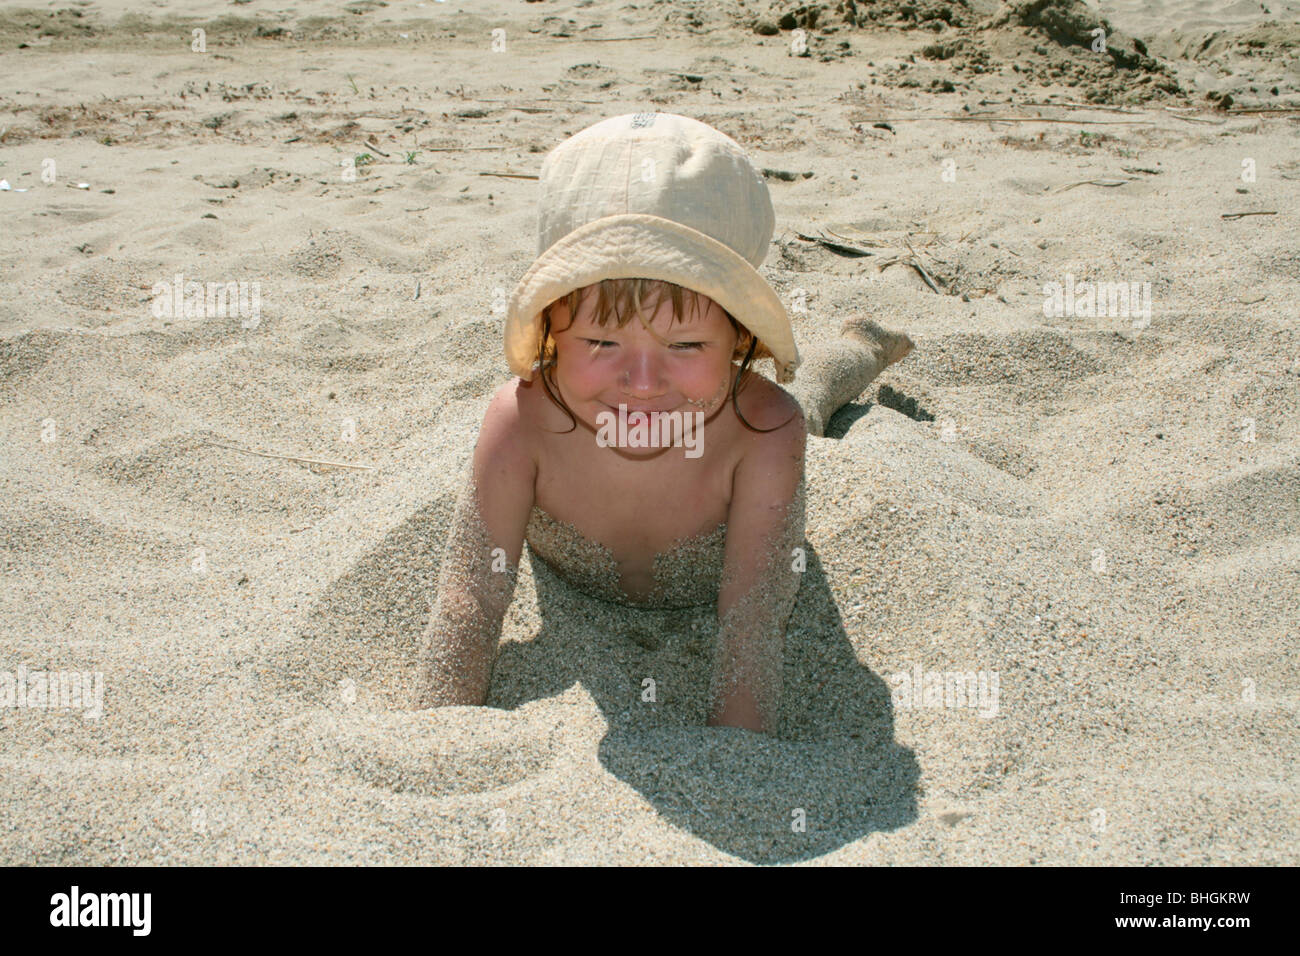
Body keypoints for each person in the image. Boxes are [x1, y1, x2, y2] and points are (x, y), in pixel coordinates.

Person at [417, 112, 913, 733]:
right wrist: (433, 733)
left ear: (739, 341)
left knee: (806, 408)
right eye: (600, 341)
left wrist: (738, 759)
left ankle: (861, 349)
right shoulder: (520, 423)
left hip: (747, 431)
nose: (644, 385)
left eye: (685, 347)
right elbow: (473, 596)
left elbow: (753, 615)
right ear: (549, 333)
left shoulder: (760, 427)